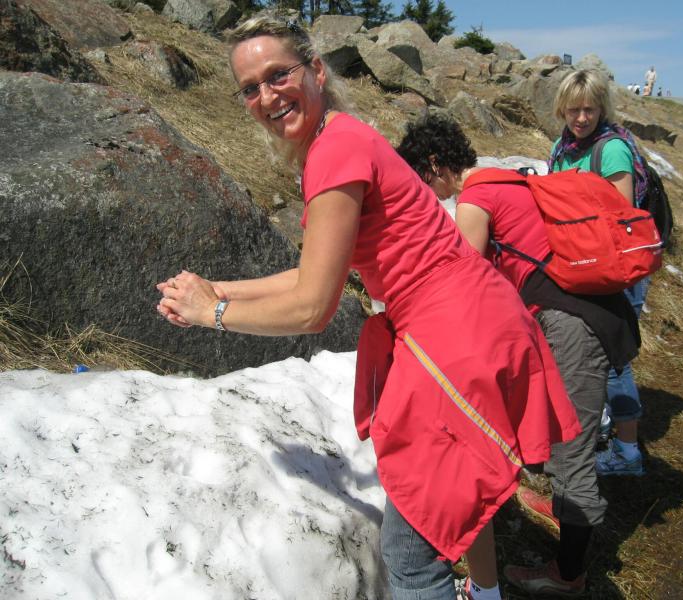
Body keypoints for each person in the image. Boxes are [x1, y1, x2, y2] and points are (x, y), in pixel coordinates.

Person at [156, 15, 581, 600]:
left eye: (278, 74)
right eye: (250, 87)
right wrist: (222, 288)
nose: (267, 96)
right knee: (458, 489)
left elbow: (312, 306)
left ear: (316, 70)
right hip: (476, 318)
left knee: (411, 554)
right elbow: (314, 270)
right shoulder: (342, 138)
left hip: (451, 336)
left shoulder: (334, 151)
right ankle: (485, 593)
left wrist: (212, 315)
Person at [396, 115, 640, 598]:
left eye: (424, 179)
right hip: (583, 311)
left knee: (573, 446)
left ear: (435, 165)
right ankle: (566, 514)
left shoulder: (475, 199)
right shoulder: (508, 178)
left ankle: (568, 574)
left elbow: (462, 285)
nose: (429, 192)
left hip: (573, 322)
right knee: (562, 429)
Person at [547, 70, 650, 477]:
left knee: (614, 359)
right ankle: (601, 430)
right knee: (587, 353)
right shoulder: (561, 148)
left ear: (602, 108)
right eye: (574, 109)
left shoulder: (612, 150)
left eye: (589, 109)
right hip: (581, 265)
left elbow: (622, 216)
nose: (581, 118)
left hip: (615, 269)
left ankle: (628, 453)